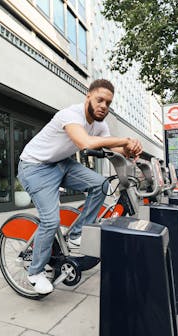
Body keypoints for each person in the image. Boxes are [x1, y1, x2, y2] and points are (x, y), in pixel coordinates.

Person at [17, 79, 142, 294]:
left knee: (100, 184)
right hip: (34, 167)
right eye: (100, 100)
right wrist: (124, 139)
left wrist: (131, 149)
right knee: (51, 220)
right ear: (88, 97)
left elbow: (113, 149)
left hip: (62, 164)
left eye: (108, 103)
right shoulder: (70, 115)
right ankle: (35, 273)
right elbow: (86, 143)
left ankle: (76, 233)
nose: (104, 106)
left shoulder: (100, 125)